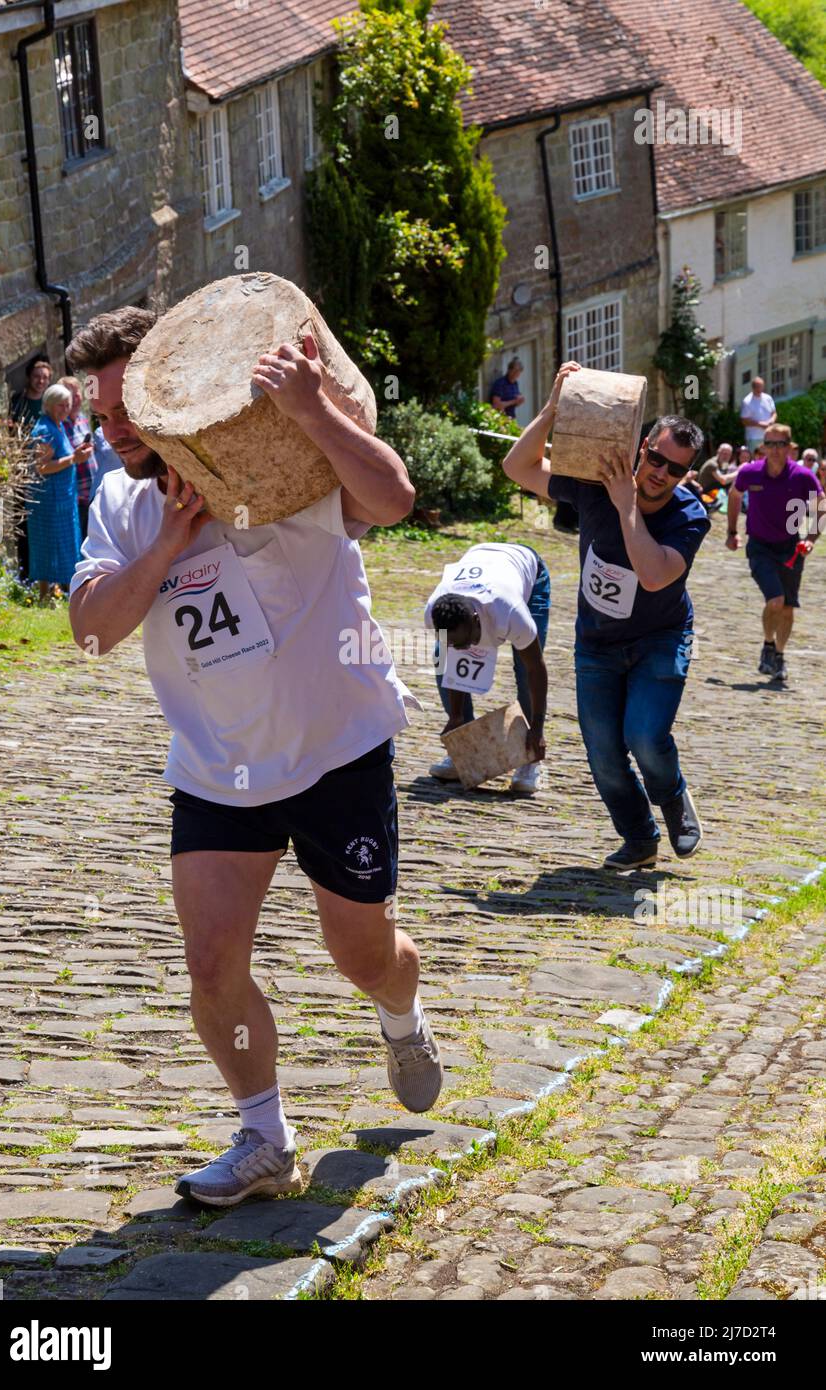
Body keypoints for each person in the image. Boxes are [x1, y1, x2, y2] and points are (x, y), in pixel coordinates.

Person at [66, 305, 442, 1209]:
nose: (112, 431)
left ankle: (399, 1008)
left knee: (360, 954)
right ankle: (265, 1136)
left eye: (126, 414)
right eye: (102, 417)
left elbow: (392, 501)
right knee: (211, 964)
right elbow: (90, 630)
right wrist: (165, 545)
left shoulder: (283, 458)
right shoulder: (121, 502)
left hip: (334, 752)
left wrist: (316, 411)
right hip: (216, 769)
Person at [503, 362, 710, 870]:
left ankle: (674, 797)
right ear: (642, 448)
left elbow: (655, 573)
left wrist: (627, 507)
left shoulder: (689, 515)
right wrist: (554, 408)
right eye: (656, 457)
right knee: (603, 753)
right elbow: (519, 467)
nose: (661, 471)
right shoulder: (596, 483)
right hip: (596, 642)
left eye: (675, 468)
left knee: (644, 736)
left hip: (660, 638)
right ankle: (639, 838)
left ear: (687, 475)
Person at [423, 543, 550, 793]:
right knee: (441, 655)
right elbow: (451, 661)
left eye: (464, 641)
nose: (461, 649)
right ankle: (466, 751)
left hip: (527, 570)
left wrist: (537, 729)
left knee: (524, 669)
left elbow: (536, 669)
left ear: (476, 620)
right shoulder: (434, 614)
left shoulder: (510, 612)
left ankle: (531, 757)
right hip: (480, 556)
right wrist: (456, 719)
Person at [726, 422, 824, 684]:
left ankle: (778, 655)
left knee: (789, 608)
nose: (775, 450)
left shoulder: (802, 477)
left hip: (791, 546)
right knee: (776, 600)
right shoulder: (750, 472)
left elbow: (820, 506)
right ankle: (768, 644)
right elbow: (735, 496)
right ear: (763, 447)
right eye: (770, 444)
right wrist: (731, 531)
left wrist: (812, 538)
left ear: (791, 448)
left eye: (781, 444)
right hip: (759, 546)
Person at [27, 384, 90, 602]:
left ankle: (63, 592)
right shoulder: (44, 430)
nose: (65, 409)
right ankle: (46, 595)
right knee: (49, 544)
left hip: (63, 497)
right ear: (49, 405)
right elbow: (41, 467)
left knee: (64, 542)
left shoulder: (59, 426)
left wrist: (77, 454)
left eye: (68, 405)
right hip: (48, 499)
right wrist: (74, 459)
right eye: (60, 405)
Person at [9, 356, 52, 580]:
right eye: (37, 376)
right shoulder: (17, 401)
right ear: (29, 377)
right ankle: (25, 573)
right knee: (23, 520)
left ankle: (43, 575)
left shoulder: (50, 405)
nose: (40, 381)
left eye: (45, 377)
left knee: (42, 521)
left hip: (45, 470)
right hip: (21, 469)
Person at [59, 375, 96, 539]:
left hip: (93, 491)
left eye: (77, 394)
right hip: (75, 496)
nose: (75, 399)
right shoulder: (59, 425)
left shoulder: (82, 419)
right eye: (69, 396)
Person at [739, 377, 776, 452]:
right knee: (755, 459)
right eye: (758, 387)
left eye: (761, 386)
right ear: (753, 388)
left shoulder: (768, 398)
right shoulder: (747, 401)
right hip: (754, 437)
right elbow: (744, 420)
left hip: (768, 435)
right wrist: (760, 424)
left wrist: (771, 421)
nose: (760, 389)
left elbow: (774, 413)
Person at [698, 442, 737, 510]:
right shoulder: (712, 464)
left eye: (729, 454)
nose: (726, 456)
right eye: (724, 453)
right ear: (718, 452)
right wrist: (740, 471)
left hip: (715, 491)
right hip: (705, 494)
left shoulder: (724, 464)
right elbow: (723, 480)